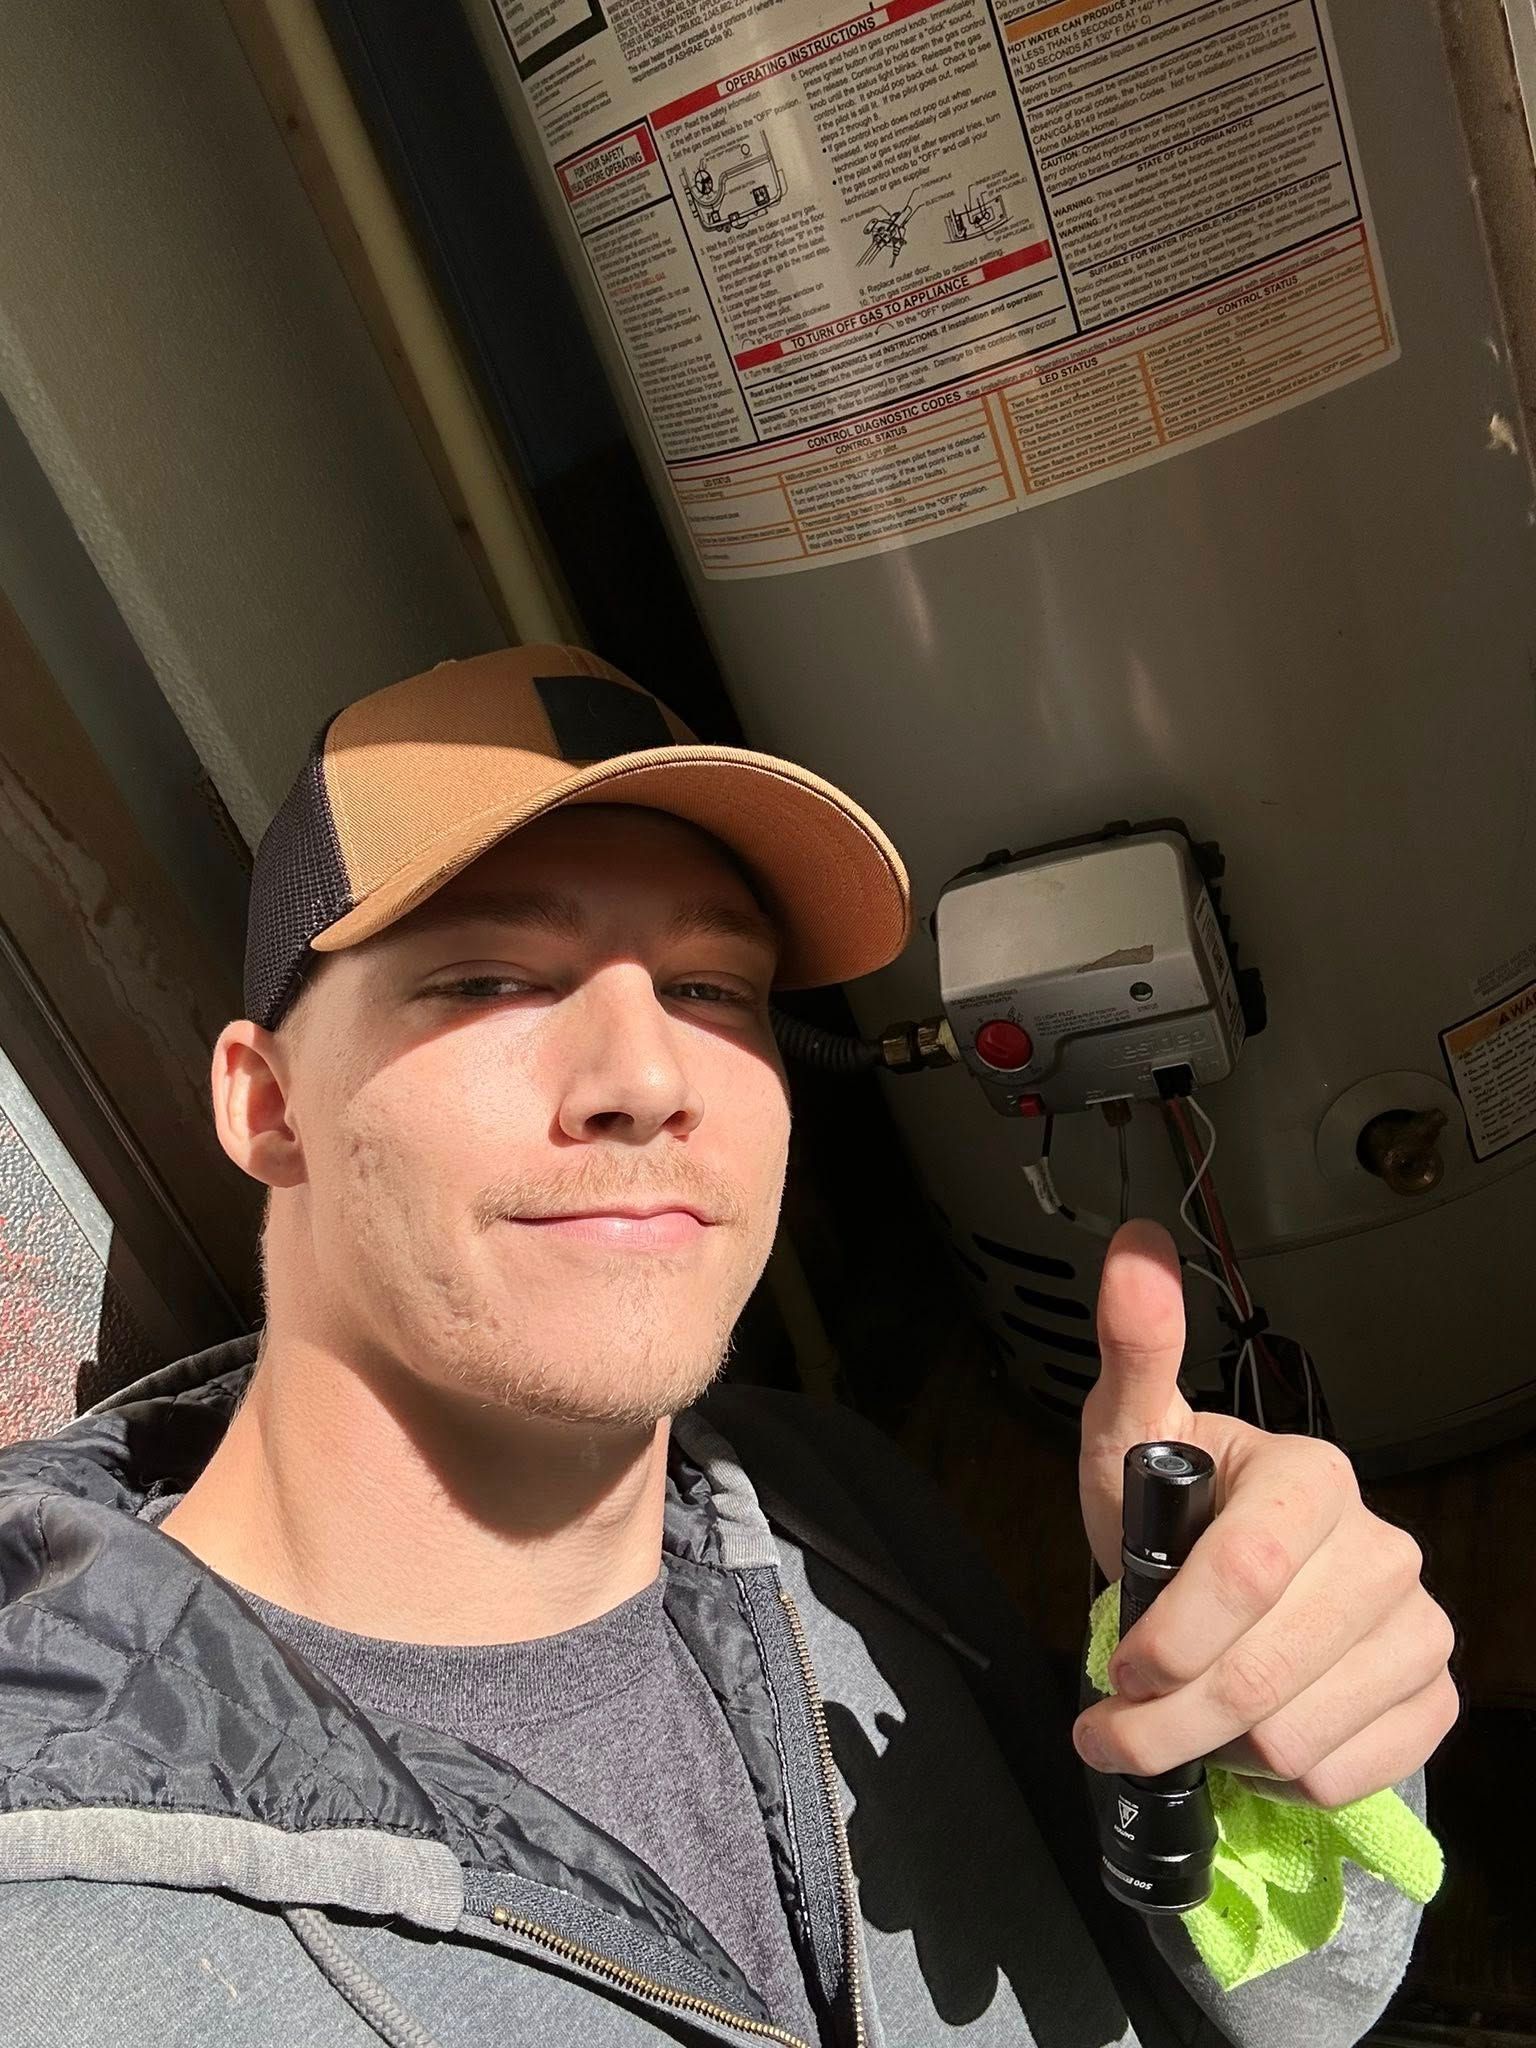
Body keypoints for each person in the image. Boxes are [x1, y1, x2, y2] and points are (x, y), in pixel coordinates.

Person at [0, 644, 1456, 2048]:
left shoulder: (828, 1501)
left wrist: (1243, 1743)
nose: (647, 1077)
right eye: (491, 978)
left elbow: (1291, 2009)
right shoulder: (64, 1953)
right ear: (267, 1106)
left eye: (712, 990)